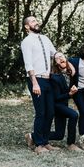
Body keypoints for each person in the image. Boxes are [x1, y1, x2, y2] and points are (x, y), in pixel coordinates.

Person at [21, 16, 57, 155]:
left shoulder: (45, 38)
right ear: (27, 26)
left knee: (50, 112)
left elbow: (54, 54)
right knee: (41, 112)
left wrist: (67, 64)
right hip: (36, 80)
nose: (36, 23)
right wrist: (35, 83)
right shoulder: (26, 41)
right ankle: (39, 144)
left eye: (36, 21)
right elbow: (28, 64)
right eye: (32, 21)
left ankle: (45, 141)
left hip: (48, 80)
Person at [49, 52, 82, 152]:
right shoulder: (54, 77)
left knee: (59, 135)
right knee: (74, 115)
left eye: (62, 56)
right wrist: (70, 94)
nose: (60, 58)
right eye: (57, 58)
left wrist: (72, 88)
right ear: (55, 63)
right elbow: (57, 97)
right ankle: (71, 144)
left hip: (64, 104)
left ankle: (32, 136)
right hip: (56, 105)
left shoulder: (69, 73)